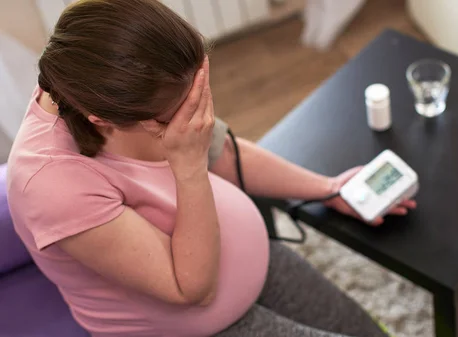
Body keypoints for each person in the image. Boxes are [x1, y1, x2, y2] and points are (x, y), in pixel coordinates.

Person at [6, 1, 416, 336]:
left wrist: (328, 188)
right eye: (177, 117)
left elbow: (222, 151)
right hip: (189, 323)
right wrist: (188, 166)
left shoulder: (104, 75)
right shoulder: (51, 184)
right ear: (100, 119)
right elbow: (190, 290)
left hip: (243, 256)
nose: (196, 120)